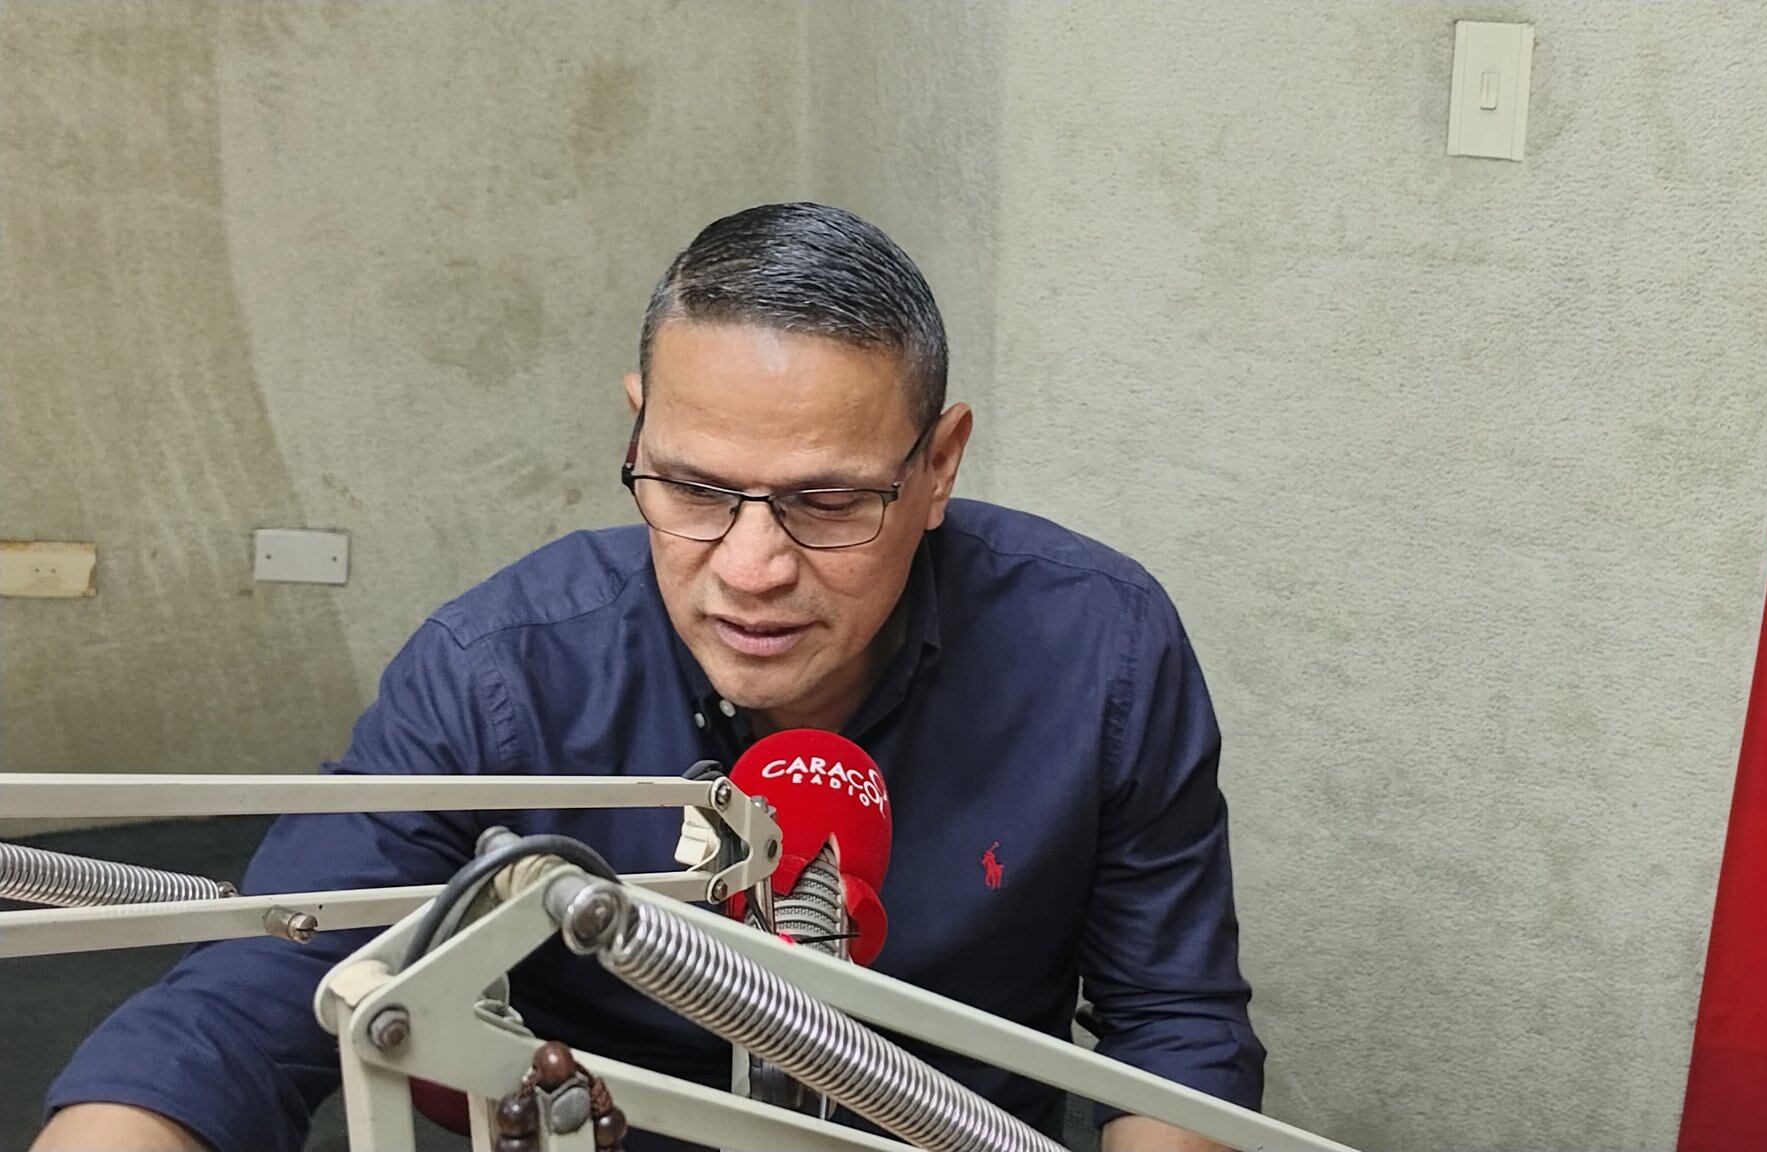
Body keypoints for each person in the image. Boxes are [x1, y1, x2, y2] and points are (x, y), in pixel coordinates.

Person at [33, 203, 1264, 1152]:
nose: (750, 568)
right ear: (635, 430)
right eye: (691, 488)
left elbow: (1173, 1037)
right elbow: (258, 994)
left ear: (937, 465)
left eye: (828, 500)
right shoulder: (499, 668)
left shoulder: (1099, 645)